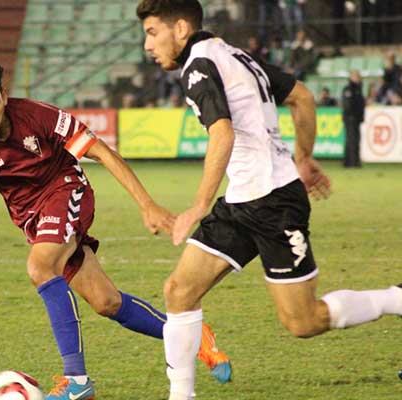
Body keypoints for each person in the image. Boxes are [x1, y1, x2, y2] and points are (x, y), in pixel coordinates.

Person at [136, 1, 402, 399]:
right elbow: (303, 97)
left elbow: (222, 134)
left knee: (304, 321)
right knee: (179, 291)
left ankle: (396, 298)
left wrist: (197, 205)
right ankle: (182, 396)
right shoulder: (233, 54)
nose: (147, 45)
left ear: (180, 29)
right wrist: (304, 158)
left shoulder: (199, 65)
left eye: (152, 32)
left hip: (274, 203)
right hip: (244, 197)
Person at [0, 62, 232, 400]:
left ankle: (77, 381)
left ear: (4, 95)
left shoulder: (38, 117)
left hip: (66, 189)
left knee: (40, 266)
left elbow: (102, 153)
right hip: (31, 217)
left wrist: (146, 204)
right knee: (107, 302)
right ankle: (193, 337)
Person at [341, 70, 365, 168]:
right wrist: (351, 115)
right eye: (355, 76)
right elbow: (347, 104)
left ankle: (355, 161)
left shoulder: (359, 89)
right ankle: (350, 162)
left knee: (356, 139)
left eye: (358, 76)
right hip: (350, 118)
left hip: (357, 118)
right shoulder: (348, 89)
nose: (357, 78)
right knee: (351, 140)